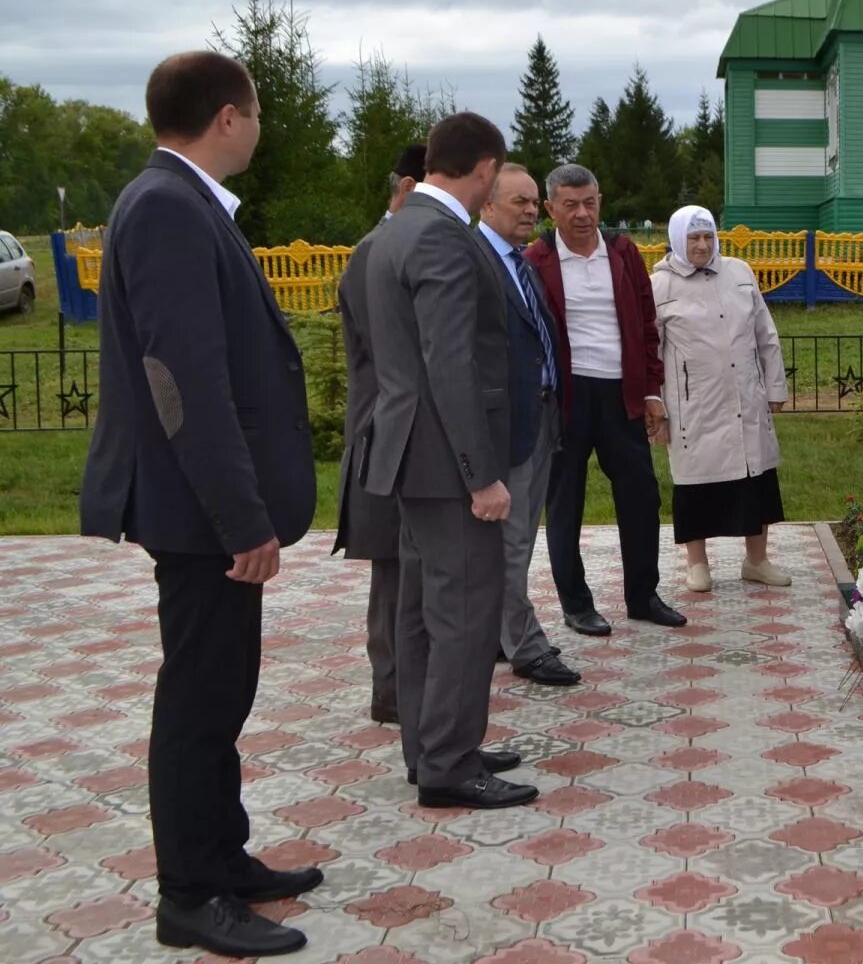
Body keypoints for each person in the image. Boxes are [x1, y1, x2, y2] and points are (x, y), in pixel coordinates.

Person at [79, 51, 318, 958]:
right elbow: (182, 381)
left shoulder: (178, 205)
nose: (259, 126)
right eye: (255, 111)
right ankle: (188, 895)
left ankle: (224, 857)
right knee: (199, 700)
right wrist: (241, 518)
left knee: (223, 690)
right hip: (199, 515)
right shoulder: (170, 209)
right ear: (228, 116)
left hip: (204, 509)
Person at [362, 112, 535, 809]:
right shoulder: (442, 237)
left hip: (407, 455)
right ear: (486, 169)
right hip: (444, 462)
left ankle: (429, 743)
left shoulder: (396, 228)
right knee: (464, 607)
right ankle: (449, 763)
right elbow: (451, 363)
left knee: (420, 608)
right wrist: (482, 475)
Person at [525, 163, 685, 634]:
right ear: (551, 208)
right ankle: (576, 604)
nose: (581, 214)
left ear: (600, 202)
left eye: (589, 202)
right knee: (565, 501)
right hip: (567, 397)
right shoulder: (537, 260)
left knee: (641, 496)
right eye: (570, 205)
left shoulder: (622, 253)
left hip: (621, 394)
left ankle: (643, 595)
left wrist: (652, 391)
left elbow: (646, 323)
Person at [332, 141, 427, 724]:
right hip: (386, 434)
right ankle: (392, 690)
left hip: (401, 431)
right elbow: (399, 354)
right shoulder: (378, 252)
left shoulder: (391, 243)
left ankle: (403, 686)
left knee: (407, 564)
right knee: (395, 569)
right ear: (412, 188)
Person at [475, 163, 580, 685]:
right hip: (505, 428)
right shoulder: (477, 263)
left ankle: (500, 632)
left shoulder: (522, 263)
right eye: (519, 201)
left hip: (541, 417)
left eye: (534, 202)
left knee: (519, 539)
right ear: (487, 205)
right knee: (511, 543)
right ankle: (525, 645)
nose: (531, 211)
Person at [652, 204, 792, 591]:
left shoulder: (739, 272)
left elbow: (766, 333)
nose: (701, 245)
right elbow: (652, 352)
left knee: (756, 478)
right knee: (696, 484)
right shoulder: (659, 285)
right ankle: (698, 564)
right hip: (693, 404)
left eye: (708, 237)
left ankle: (757, 560)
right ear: (678, 240)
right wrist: (656, 407)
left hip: (744, 396)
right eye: (693, 238)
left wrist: (775, 386)